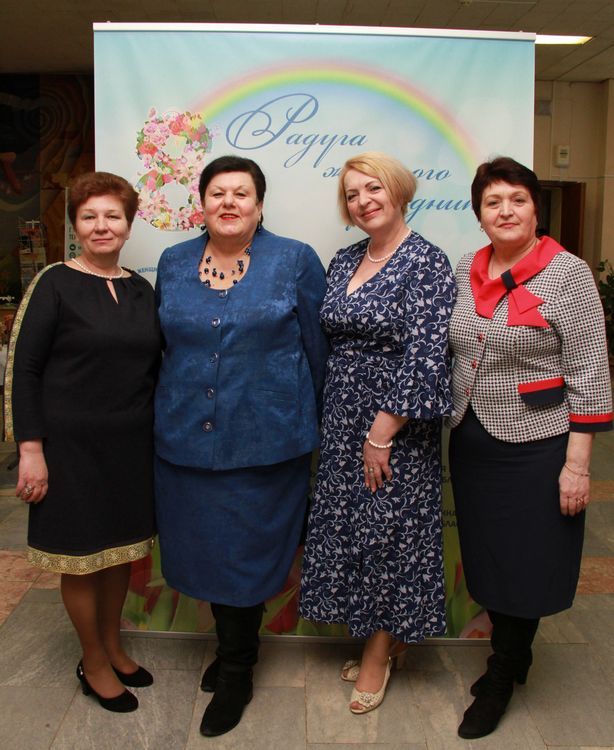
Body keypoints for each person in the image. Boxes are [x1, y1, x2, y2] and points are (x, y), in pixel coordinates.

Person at [154, 155, 328, 737]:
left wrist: (318, 428)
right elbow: (162, 345)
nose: (229, 202)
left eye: (242, 193)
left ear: (259, 204)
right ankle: (234, 649)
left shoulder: (294, 260)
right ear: (202, 203)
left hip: (266, 442)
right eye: (218, 193)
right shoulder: (173, 262)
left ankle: (236, 671)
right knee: (205, 553)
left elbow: (318, 353)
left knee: (247, 556)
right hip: (184, 439)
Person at [448, 156, 613, 740]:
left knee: (527, 558)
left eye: (517, 199)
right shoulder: (468, 267)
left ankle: (502, 673)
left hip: (538, 444)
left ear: (535, 208)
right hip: (472, 436)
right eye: (492, 202)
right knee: (489, 554)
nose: (505, 211)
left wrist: (577, 467)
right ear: (479, 214)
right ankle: (514, 653)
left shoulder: (568, 274)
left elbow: (590, 372)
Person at [300, 152, 456, 714]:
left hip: (395, 425)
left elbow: (426, 356)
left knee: (391, 537)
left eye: (373, 188)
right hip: (343, 417)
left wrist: (382, 432)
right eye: (352, 194)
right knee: (354, 532)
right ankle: (382, 640)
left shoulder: (426, 261)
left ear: (398, 191)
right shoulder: (344, 260)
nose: (363, 201)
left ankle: (377, 655)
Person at [5, 172, 161, 712]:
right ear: (75, 225)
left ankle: (114, 647)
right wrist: (31, 449)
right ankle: (92, 660)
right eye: (89, 216)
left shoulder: (141, 289)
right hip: (69, 450)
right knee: (81, 558)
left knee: (119, 555)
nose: (101, 226)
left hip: (130, 447)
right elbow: (23, 371)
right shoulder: (54, 283)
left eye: (112, 216)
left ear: (129, 224)